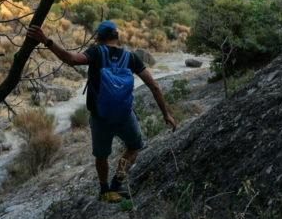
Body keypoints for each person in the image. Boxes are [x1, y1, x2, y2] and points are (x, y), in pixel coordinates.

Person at [27, 20, 176, 203]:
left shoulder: (95, 53)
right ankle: (117, 183)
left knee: (102, 155)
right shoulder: (130, 57)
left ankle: (105, 190)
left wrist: (46, 41)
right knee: (133, 147)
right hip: (124, 115)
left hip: (100, 117)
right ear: (117, 36)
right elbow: (154, 85)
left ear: (98, 38)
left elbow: (71, 60)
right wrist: (166, 114)